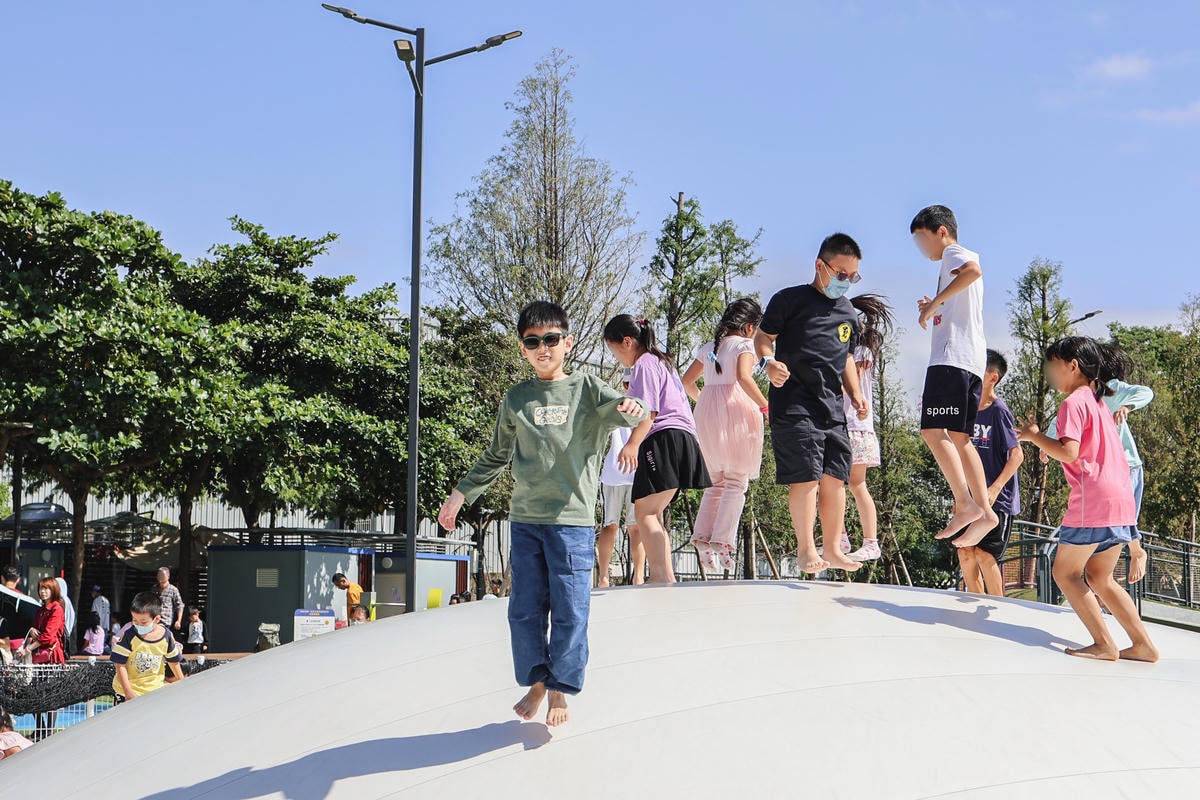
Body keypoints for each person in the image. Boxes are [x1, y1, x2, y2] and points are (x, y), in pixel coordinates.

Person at [438, 300, 645, 727]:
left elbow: (635, 410)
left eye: (551, 339)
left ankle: (559, 689)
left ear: (566, 342)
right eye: (533, 342)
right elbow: (497, 455)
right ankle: (536, 682)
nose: (543, 347)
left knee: (570, 609)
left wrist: (632, 418)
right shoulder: (517, 398)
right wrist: (460, 495)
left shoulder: (587, 389)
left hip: (572, 522)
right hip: (527, 521)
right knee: (526, 610)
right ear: (523, 348)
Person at [1015, 337, 1157, 662]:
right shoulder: (1098, 403)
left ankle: (1104, 644)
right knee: (1100, 577)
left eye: (1053, 366)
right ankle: (1143, 645)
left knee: (1065, 573)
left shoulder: (1073, 403)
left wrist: (1035, 437)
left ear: (1072, 366)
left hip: (1092, 500)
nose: (1051, 374)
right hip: (1120, 500)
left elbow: (1068, 452)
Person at [754, 233, 869, 575]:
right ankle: (806, 550)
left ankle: (832, 548)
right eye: (841, 274)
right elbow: (763, 337)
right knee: (806, 477)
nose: (845, 282)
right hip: (793, 402)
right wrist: (768, 363)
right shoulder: (789, 300)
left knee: (836, 478)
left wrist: (856, 393)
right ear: (820, 265)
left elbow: (846, 358)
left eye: (852, 277)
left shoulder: (848, 312)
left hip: (831, 408)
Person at [910, 205, 997, 548]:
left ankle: (965, 503)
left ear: (941, 231)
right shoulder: (952, 263)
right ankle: (985, 511)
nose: (922, 247)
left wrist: (934, 305)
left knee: (932, 430)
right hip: (969, 360)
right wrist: (937, 307)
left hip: (952, 359)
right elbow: (965, 291)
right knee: (960, 437)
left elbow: (973, 271)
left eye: (922, 238)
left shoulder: (953, 254)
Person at [604, 314, 711, 584]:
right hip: (684, 437)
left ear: (626, 342)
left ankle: (660, 576)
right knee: (654, 512)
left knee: (645, 513)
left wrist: (632, 444)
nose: (617, 357)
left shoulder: (644, 364)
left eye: (614, 350)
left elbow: (648, 413)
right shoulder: (663, 362)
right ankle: (667, 577)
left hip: (663, 438)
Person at [682, 298, 769, 573]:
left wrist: (706, 401)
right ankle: (722, 541)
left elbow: (686, 381)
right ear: (749, 327)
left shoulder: (710, 348)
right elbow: (744, 376)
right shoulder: (745, 346)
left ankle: (702, 537)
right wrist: (765, 405)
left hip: (707, 414)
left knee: (715, 481)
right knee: (736, 481)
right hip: (737, 411)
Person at [1045, 372, 1153, 584]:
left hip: (1126, 464)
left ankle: (1136, 549)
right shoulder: (1075, 403)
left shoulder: (1109, 390)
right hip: (1100, 473)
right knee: (1099, 568)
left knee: (1122, 518)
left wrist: (1127, 406)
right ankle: (1103, 588)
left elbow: (1146, 392)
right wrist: (1046, 445)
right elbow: (1057, 425)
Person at [956, 349, 1023, 596]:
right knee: (965, 552)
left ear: (992, 377)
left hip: (998, 498)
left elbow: (1017, 455)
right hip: (971, 496)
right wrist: (960, 496)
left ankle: (999, 610)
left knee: (985, 555)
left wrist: (994, 489)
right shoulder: (966, 408)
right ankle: (975, 605)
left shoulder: (999, 410)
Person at [840, 294, 895, 563]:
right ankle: (840, 535)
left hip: (855, 426)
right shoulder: (849, 352)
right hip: (843, 425)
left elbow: (853, 383)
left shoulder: (860, 353)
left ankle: (869, 541)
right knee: (834, 482)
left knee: (854, 483)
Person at [597, 370, 644, 587]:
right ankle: (639, 576)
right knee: (635, 528)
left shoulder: (616, 404)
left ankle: (604, 576)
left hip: (614, 472)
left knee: (610, 525)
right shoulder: (647, 406)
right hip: (636, 472)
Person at [110, 591, 185, 702]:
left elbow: (173, 661)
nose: (138, 624)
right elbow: (120, 664)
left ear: (157, 619)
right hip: (126, 692)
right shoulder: (129, 635)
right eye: (134, 620)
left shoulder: (166, 636)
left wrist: (183, 684)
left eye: (143, 622)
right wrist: (128, 691)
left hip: (154, 691)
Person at [15, 578, 66, 664]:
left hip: (52, 655)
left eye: (46, 588)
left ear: (53, 589)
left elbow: (48, 635)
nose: (42, 591)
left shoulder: (57, 609)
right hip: (40, 654)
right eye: (40, 588)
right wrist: (32, 630)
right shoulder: (41, 610)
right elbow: (35, 627)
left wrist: (28, 649)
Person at [156, 567, 184, 634]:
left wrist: (178, 621)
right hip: (154, 619)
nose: (160, 577)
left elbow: (180, 605)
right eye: (159, 575)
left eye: (162, 575)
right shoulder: (154, 588)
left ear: (168, 576)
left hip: (165, 620)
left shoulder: (173, 589)